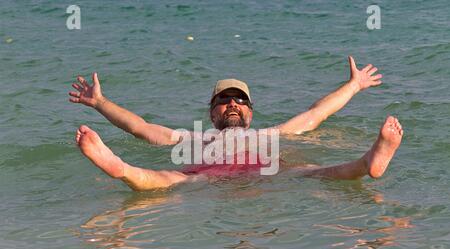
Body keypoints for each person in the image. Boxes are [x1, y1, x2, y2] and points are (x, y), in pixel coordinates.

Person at [68, 56, 403, 191]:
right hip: (207, 175)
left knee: (315, 171)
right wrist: (99, 102)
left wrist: (354, 85)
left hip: (267, 169)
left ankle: (368, 162)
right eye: (224, 100)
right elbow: (139, 127)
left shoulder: (270, 135)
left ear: (250, 113)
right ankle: (119, 167)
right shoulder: (192, 138)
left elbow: (316, 114)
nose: (232, 104)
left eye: (240, 101)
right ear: (212, 113)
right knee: (169, 178)